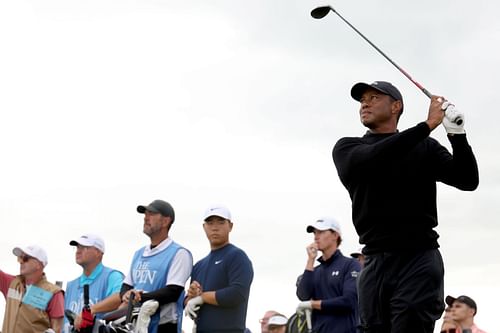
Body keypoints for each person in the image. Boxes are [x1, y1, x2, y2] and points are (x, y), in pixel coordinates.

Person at [332, 81, 479, 332]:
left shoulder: (425, 147)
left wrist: (457, 135)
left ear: (395, 106)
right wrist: (427, 126)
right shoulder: (348, 148)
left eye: (374, 98)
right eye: (362, 100)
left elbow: (467, 180)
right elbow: (377, 156)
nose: (365, 103)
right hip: (375, 261)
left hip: (419, 258)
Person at [104, 199, 193, 333]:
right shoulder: (139, 253)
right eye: (145, 214)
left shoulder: (179, 253)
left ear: (165, 221)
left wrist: (138, 298)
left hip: (164, 327)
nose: (146, 218)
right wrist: (126, 295)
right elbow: (126, 286)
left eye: (151, 214)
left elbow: (173, 291)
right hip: (136, 326)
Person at [185, 204, 254, 333]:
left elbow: (237, 293)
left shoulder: (237, 256)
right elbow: (189, 302)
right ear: (204, 227)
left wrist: (203, 297)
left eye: (221, 222)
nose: (215, 228)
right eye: (210, 223)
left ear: (230, 226)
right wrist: (192, 296)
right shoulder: (199, 265)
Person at [296, 217, 361, 333]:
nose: (316, 237)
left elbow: (349, 301)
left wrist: (313, 304)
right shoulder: (314, 270)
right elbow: (303, 295)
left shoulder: (351, 264)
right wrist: (311, 259)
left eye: (321, 232)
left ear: (335, 235)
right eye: (315, 233)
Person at [63, 233, 124, 333]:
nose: (78, 251)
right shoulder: (71, 285)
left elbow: (120, 297)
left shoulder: (112, 276)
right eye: (77, 247)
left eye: (84, 248)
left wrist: (91, 310)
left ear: (98, 252)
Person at [0, 245, 64, 333]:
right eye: (20, 258)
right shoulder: (11, 283)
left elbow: (57, 329)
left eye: (25, 258)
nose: (21, 262)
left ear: (38, 264)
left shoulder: (54, 293)